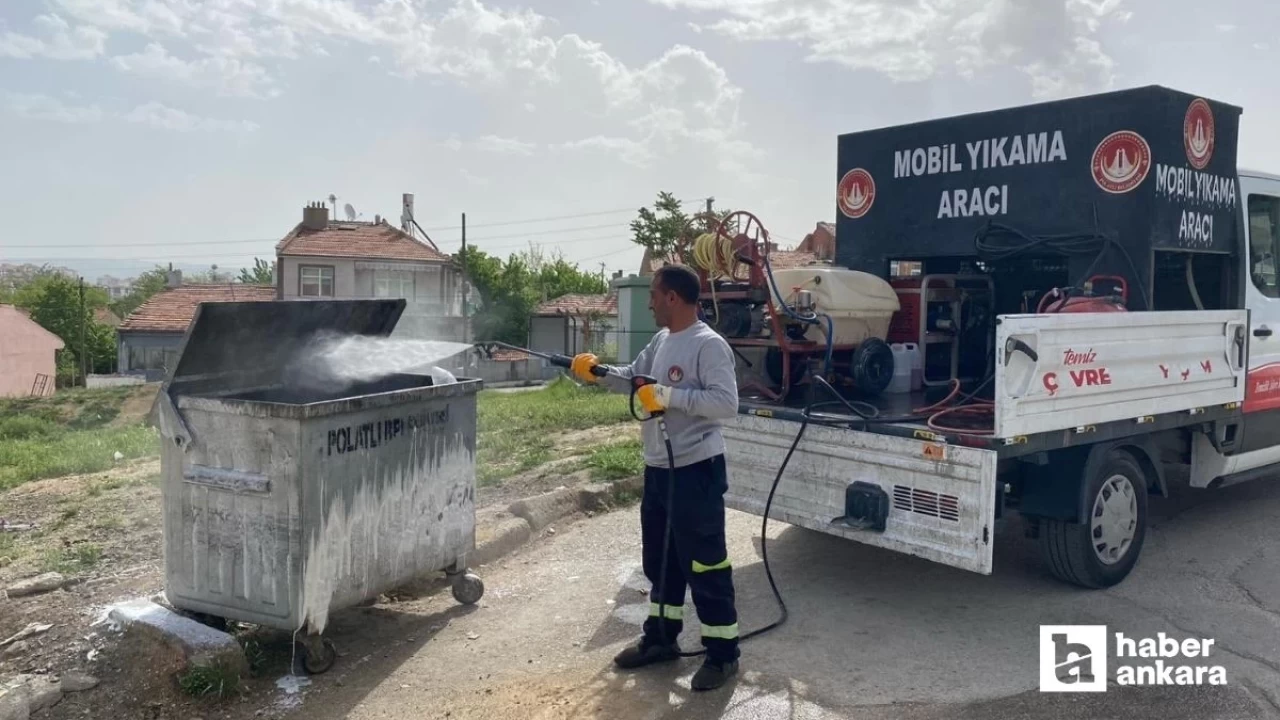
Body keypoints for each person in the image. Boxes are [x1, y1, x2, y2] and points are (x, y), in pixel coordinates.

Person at [570, 264, 742, 692]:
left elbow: (726, 403)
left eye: (653, 293)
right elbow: (636, 378)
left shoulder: (708, 345)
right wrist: (597, 373)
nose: (648, 301)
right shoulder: (662, 340)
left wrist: (667, 395)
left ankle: (722, 656)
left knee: (704, 562)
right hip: (660, 468)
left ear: (673, 298)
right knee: (661, 559)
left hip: (697, 469)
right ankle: (661, 640)